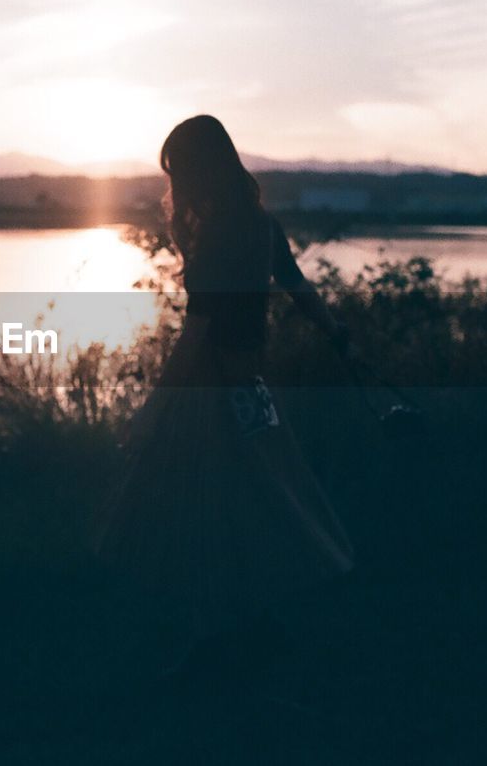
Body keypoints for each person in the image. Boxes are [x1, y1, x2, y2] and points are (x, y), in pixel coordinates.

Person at [95, 114, 355, 693]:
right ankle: (255, 626)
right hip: (251, 381)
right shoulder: (262, 224)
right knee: (254, 503)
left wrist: (160, 402)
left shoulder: (215, 234)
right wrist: (335, 331)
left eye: (179, 171)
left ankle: (215, 640)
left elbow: (201, 328)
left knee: (205, 513)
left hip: (211, 386)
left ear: (199, 170)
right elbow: (298, 286)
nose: (175, 185)